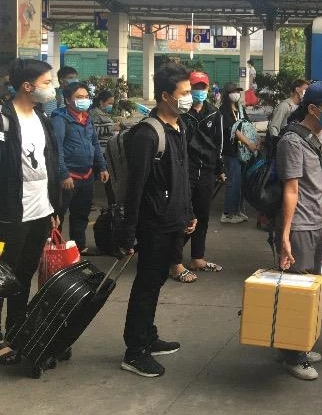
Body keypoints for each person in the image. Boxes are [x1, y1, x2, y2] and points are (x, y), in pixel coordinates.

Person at [117, 62, 197, 377]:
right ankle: (135, 350)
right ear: (165, 96)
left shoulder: (179, 126)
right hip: (153, 224)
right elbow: (134, 188)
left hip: (174, 220)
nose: (190, 97)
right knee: (146, 286)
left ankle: (148, 336)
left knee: (157, 281)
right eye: (184, 92)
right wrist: (128, 232)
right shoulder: (147, 135)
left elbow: (181, 176)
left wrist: (188, 212)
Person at [277, 81, 322, 380]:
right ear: (313, 109)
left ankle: (299, 344)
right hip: (300, 225)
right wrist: (285, 234)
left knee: (311, 289)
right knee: (296, 291)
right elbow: (291, 190)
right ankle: (292, 355)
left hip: (318, 222)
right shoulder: (292, 141)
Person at [0, 59, 60, 364]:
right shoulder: (4, 120)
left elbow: (50, 163)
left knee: (23, 276)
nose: (53, 88)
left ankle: (16, 331)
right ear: (27, 86)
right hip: (10, 216)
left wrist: (53, 207)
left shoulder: (41, 117)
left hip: (40, 211)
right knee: (2, 278)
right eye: (47, 82)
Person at [170, 71, 226, 283]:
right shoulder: (181, 113)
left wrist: (219, 168)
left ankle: (197, 258)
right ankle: (175, 262)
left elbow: (219, 144)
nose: (199, 91)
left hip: (207, 171)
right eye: (195, 87)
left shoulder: (214, 113)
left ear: (208, 89)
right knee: (183, 215)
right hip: (186, 171)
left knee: (202, 216)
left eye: (203, 87)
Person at [51, 82, 109, 254]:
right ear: (68, 100)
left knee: (81, 214)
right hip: (69, 176)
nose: (84, 100)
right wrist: (63, 173)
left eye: (86, 97)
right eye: (79, 97)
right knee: (58, 215)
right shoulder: (60, 120)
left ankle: (78, 246)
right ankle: (55, 249)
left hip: (87, 175)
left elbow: (94, 144)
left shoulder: (87, 118)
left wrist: (102, 166)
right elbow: (56, 148)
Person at [220, 82, 257, 224]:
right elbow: (233, 130)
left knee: (241, 182)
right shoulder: (223, 111)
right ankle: (228, 213)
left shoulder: (240, 109)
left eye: (237, 91)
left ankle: (238, 210)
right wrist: (249, 143)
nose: (236, 94)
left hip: (243, 152)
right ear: (227, 94)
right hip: (231, 152)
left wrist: (255, 140)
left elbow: (247, 125)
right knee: (234, 182)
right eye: (233, 91)